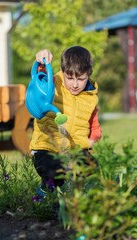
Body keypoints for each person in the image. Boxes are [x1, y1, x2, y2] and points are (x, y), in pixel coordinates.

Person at [30, 46, 102, 191]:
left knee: (95, 172)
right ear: (62, 71)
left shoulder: (90, 98)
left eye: (81, 79)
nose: (75, 84)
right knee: (55, 173)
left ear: (89, 74)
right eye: (70, 78)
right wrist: (42, 62)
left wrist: (91, 141)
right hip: (47, 148)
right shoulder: (53, 84)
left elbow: (95, 127)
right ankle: (45, 194)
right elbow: (39, 78)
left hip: (75, 149)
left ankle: (78, 197)